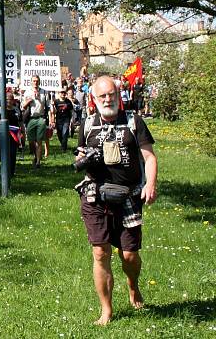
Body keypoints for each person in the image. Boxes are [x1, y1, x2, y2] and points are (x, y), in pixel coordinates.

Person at [75, 75, 158, 326]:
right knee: (100, 253)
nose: (107, 99)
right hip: (95, 195)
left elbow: (150, 158)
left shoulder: (134, 122)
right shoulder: (88, 124)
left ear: (118, 95)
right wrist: (82, 159)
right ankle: (106, 310)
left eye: (111, 94)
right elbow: (79, 154)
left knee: (129, 256)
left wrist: (150, 184)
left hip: (129, 195)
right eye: (102, 96)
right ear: (94, 98)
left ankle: (133, 285)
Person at [21, 75, 53, 168]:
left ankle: (38, 161)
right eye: (34, 81)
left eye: (37, 81)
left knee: (39, 140)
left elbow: (48, 106)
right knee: (31, 140)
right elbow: (23, 106)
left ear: (39, 82)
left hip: (40, 118)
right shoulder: (27, 92)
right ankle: (35, 155)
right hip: (30, 118)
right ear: (31, 82)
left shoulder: (44, 92)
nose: (35, 83)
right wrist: (28, 101)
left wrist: (51, 118)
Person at [0, 91, 23, 179]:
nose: (8, 101)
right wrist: (2, 126)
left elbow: (20, 122)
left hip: (14, 135)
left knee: (12, 153)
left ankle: (11, 172)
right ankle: (4, 170)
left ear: (13, 100)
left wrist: (23, 133)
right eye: (6, 99)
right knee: (2, 153)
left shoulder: (17, 109)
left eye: (10, 99)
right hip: (2, 133)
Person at [54, 88, 75, 153]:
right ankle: (63, 144)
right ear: (59, 94)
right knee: (59, 134)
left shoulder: (68, 101)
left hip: (66, 119)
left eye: (64, 93)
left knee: (65, 133)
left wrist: (72, 120)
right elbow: (53, 111)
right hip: (58, 119)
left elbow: (71, 110)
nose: (63, 94)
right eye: (61, 92)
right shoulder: (56, 101)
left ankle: (64, 148)